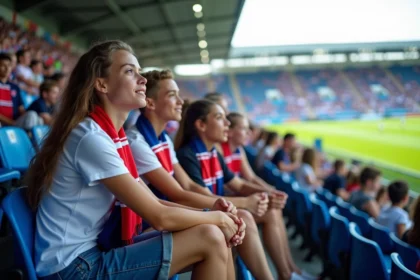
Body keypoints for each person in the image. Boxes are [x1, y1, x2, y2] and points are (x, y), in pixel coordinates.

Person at [25, 40, 245, 280]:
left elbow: (155, 203)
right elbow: (159, 217)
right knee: (210, 237)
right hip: (72, 268)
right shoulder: (91, 139)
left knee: (214, 233)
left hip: (90, 254)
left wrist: (212, 212)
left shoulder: (112, 138)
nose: (142, 80)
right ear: (102, 84)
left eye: (140, 72)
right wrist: (218, 218)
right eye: (130, 71)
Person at [127, 70, 285, 279]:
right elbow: (177, 193)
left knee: (230, 222)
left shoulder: (163, 139)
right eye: (172, 95)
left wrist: (224, 206)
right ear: (151, 103)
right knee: (229, 223)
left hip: (168, 213)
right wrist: (242, 203)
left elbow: (189, 187)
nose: (181, 101)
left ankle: (287, 273)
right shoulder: (137, 142)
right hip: (147, 224)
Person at [175, 99, 314, 280]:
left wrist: (267, 194)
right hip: (203, 214)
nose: (226, 123)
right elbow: (205, 196)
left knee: (270, 209)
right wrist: (248, 202)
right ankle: (283, 274)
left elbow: (238, 183)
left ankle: (288, 271)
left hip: (215, 210)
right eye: (220, 118)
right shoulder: (188, 154)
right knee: (245, 216)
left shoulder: (213, 153)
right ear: (201, 125)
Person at [223, 112, 308, 280]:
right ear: (230, 131)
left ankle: (291, 268)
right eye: (244, 129)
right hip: (230, 203)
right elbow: (230, 186)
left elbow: (251, 177)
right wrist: (264, 194)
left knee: (274, 207)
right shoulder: (220, 150)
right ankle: (285, 273)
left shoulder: (238, 150)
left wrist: (271, 191)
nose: (249, 133)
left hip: (236, 200)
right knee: (271, 210)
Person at [0, 53, 42, 129]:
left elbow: (21, 109)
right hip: (3, 123)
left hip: (15, 122)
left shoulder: (15, 87)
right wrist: (11, 122)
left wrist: (24, 117)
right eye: (3, 65)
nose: (7, 68)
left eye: (9, 65)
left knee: (36, 117)